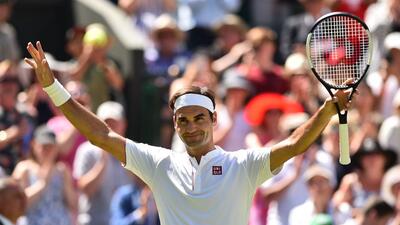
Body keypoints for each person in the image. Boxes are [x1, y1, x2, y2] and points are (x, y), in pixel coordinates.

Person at [25, 41, 355, 225]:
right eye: (183, 120)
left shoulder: (243, 165)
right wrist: (53, 88)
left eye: (199, 118)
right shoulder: (159, 164)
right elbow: (100, 135)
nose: (192, 126)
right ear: (175, 125)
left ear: (213, 119)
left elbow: (295, 143)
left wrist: (326, 109)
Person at [12, 125, 76, 225]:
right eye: (43, 146)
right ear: (34, 144)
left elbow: (73, 204)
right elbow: (18, 205)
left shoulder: (62, 170)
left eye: (50, 146)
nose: (47, 150)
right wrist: (42, 183)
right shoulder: (24, 169)